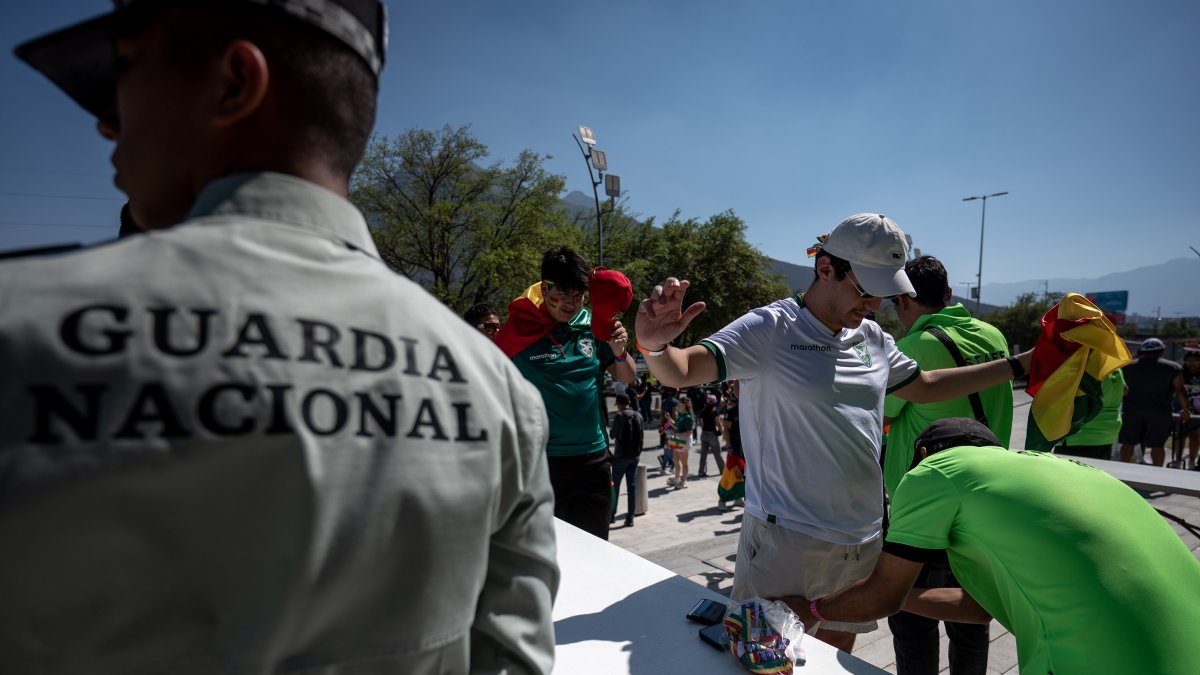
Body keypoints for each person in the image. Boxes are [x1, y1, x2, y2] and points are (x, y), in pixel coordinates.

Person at [1, 2, 559, 673]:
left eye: (124, 69)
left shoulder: (21, 326)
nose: (106, 120)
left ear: (235, 82)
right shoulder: (499, 393)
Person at [634, 213, 1032, 652]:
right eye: (865, 290)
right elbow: (684, 368)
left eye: (884, 293)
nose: (874, 306)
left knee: (833, 659)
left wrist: (1020, 365)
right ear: (826, 269)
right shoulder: (771, 327)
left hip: (862, 538)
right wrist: (654, 344)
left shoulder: (873, 338)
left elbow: (926, 386)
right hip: (787, 540)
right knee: (762, 658)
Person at [780, 418, 1200, 675]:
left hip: (1095, 660)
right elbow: (979, 607)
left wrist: (813, 608)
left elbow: (882, 595)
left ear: (923, 454)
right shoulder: (1061, 470)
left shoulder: (935, 471)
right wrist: (900, 598)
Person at [882, 255, 1012, 675]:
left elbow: (882, 412)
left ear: (903, 301)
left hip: (925, 499)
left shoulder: (914, 348)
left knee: (913, 616)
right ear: (949, 295)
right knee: (969, 613)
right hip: (985, 495)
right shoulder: (993, 335)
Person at [497, 245, 636, 539]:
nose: (572, 302)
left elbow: (627, 376)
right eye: (564, 293)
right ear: (545, 289)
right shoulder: (515, 333)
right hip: (543, 462)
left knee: (596, 548)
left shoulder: (593, 326)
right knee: (546, 552)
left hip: (593, 459)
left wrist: (619, 352)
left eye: (579, 294)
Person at [1118, 338, 1189, 466]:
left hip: (1132, 412)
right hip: (1160, 413)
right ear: (1161, 351)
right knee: (1157, 446)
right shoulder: (1172, 367)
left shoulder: (1127, 367)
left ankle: (1123, 474)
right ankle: (1158, 476)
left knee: (1128, 444)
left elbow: (1122, 390)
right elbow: (1180, 390)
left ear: (1142, 351)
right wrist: (1185, 410)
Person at [1055, 368, 1126, 460]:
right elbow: (1125, 390)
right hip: (1107, 434)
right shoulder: (1117, 369)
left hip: (1080, 436)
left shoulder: (1090, 368)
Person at [609, 393, 643, 527]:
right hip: (634, 456)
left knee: (615, 487)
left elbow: (612, 435)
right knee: (632, 488)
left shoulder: (619, 416)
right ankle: (630, 518)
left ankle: (611, 516)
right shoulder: (639, 415)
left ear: (618, 403)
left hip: (620, 456)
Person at [668, 397, 695, 489]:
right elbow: (676, 426)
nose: (679, 405)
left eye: (681, 403)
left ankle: (684, 481)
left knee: (684, 462)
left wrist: (677, 433)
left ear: (686, 405)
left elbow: (689, 432)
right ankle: (677, 478)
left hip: (684, 441)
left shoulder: (688, 417)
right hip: (678, 439)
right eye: (679, 403)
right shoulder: (680, 414)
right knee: (675, 459)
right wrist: (669, 419)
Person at [697, 393, 725, 477]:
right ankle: (723, 470)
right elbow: (718, 423)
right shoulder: (715, 412)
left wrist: (704, 430)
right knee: (717, 454)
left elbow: (701, 423)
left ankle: (701, 471)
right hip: (712, 434)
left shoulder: (703, 411)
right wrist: (722, 432)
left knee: (703, 454)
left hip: (704, 434)